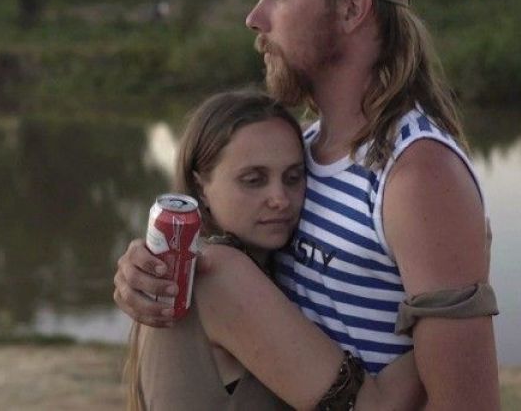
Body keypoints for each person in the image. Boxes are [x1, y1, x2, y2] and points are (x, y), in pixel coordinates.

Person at [114, 0, 500, 408]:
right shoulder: (300, 153)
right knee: (202, 274)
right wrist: (146, 271)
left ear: (352, 9)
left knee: (213, 277)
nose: (255, 17)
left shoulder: (416, 176)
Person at [125, 90, 424, 410]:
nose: (279, 198)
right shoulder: (218, 275)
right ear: (202, 188)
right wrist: (448, 300)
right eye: (253, 180)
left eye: (293, 177)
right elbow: (370, 408)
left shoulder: (193, 262)